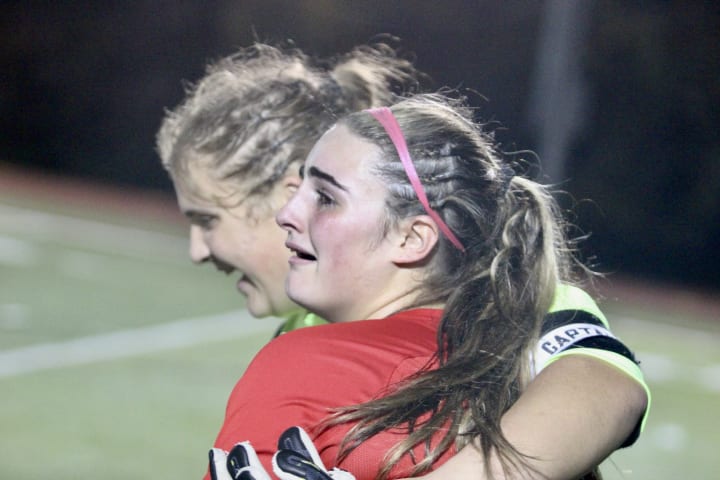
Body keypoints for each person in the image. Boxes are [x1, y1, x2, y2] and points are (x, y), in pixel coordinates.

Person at [155, 44, 649, 479]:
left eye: (208, 219)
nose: (198, 249)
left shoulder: (510, 291)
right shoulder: (302, 327)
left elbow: (608, 386)